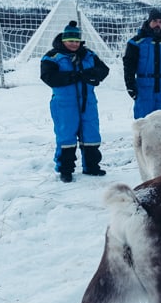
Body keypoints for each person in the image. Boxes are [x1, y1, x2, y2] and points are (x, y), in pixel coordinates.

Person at [40, 21, 110, 182]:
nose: (74, 44)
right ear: (64, 40)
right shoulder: (53, 57)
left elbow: (103, 70)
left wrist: (92, 74)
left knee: (91, 134)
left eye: (77, 41)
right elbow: (48, 77)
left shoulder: (89, 55)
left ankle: (92, 166)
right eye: (70, 41)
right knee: (66, 136)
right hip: (64, 104)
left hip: (88, 102)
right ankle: (66, 169)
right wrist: (74, 76)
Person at [123, 8, 161, 119]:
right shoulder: (136, 42)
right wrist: (130, 84)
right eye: (155, 21)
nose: (158, 24)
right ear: (149, 22)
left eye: (160, 22)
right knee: (143, 123)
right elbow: (129, 66)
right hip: (144, 87)